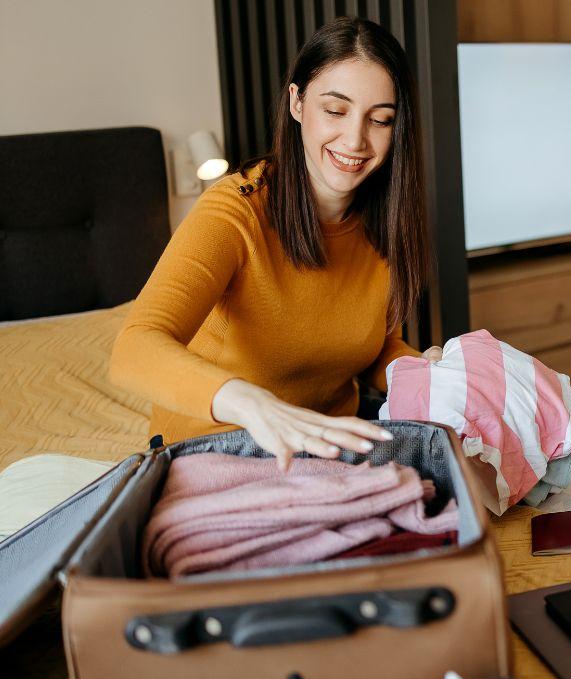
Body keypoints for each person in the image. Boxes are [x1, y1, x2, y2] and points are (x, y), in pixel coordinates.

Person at [110, 17, 441, 472]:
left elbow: (371, 346)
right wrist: (251, 403)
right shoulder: (235, 211)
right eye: (335, 110)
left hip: (330, 450)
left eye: (380, 119)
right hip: (217, 449)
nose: (355, 139)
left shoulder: (383, 219)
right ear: (297, 102)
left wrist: (423, 373)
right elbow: (134, 348)